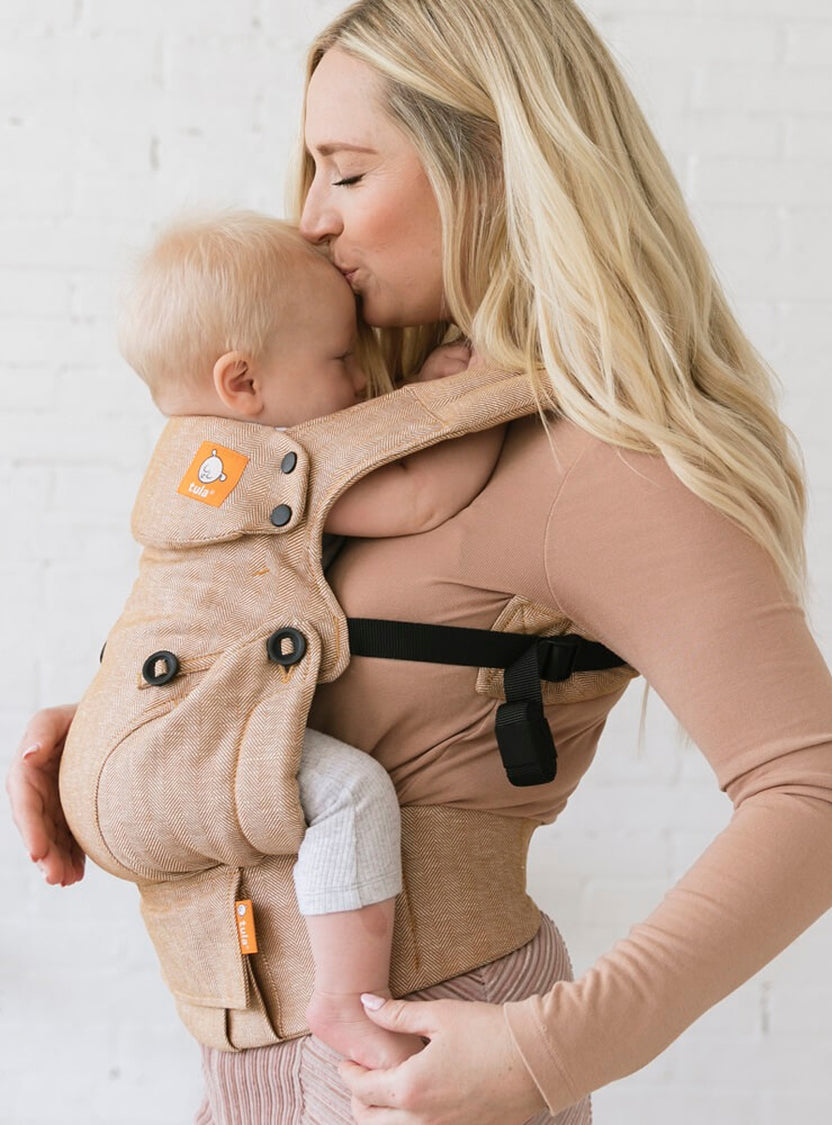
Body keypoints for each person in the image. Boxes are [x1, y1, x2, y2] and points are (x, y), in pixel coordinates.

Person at [7, 1, 832, 1124]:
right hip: (253, 1079)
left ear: (494, 161)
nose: (312, 219)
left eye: (347, 171)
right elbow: (351, 687)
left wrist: (547, 1051)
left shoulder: (602, 462)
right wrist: (132, 730)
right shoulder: (369, 436)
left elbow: (820, 803)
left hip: (421, 1072)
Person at [66, 208, 505, 1072]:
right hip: (173, 747)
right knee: (351, 796)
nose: (357, 387)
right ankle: (342, 999)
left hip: (124, 750)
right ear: (244, 383)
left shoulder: (195, 459)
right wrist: (474, 395)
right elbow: (416, 496)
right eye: (341, 361)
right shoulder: (259, 463)